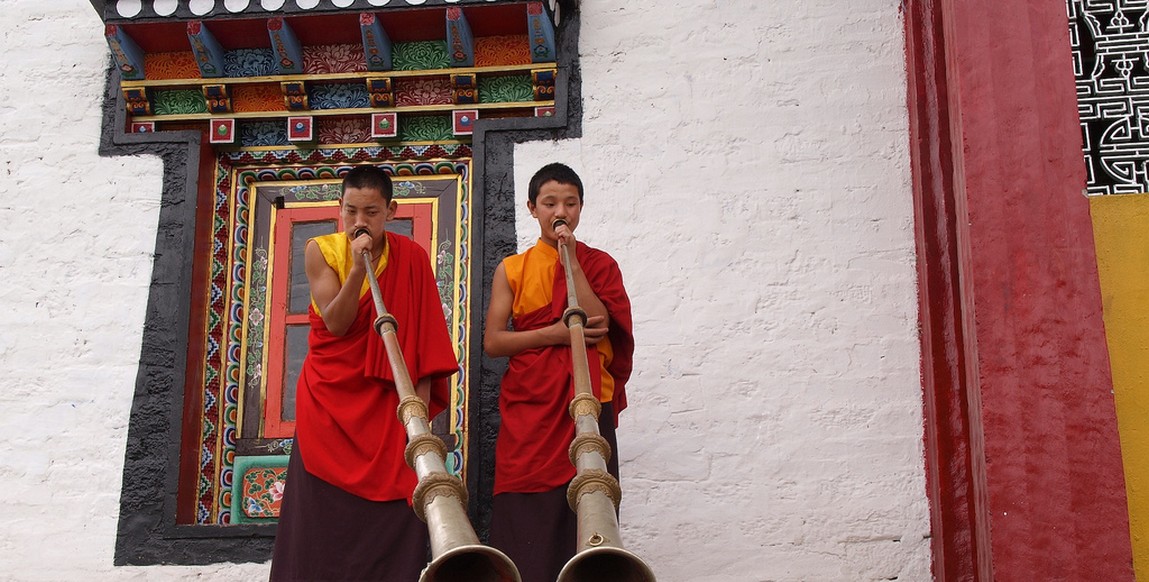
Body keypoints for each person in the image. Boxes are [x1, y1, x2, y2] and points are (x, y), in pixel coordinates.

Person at [270, 165, 458, 582]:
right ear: (339, 209)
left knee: (395, 512)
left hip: (392, 410)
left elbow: (424, 344)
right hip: (330, 407)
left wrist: (419, 422)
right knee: (322, 525)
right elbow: (336, 323)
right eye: (351, 211)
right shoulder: (322, 250)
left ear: (390, 211)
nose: (359, 222)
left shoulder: (411, 258)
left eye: (370, 212)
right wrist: (358, 268)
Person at [483, 162, 635, 582]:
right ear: (533, 208)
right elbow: (494, 342)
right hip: (530, 409)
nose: (560, 211)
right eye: (550, 203)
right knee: (526, 513)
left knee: (589, 504)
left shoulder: (598, 263)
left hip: (587, 402)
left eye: (570, 203)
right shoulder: (512, 269)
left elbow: (597, 320)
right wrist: (553, 333)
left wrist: (570, 256)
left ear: (581, 208)